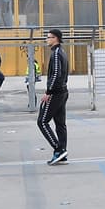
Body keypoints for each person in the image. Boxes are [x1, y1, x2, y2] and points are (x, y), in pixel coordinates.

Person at [37, 29, 69, 165]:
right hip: (62, 91)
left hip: (56, 93)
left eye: (49, 37)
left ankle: (59, 149)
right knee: (60, 124)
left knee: (42, 121)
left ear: (55, 38)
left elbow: (56, 74)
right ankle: (62, 152)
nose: (47, 39)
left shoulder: (56, 54)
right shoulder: (62, 52)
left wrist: (48, 92)